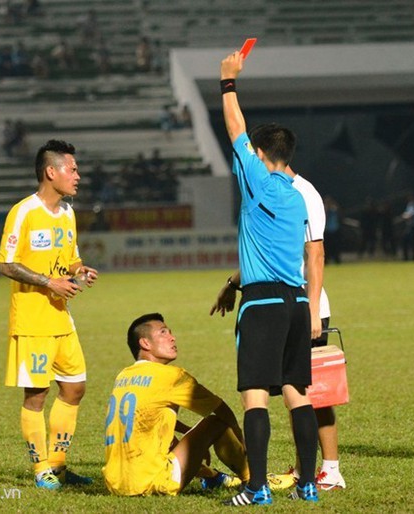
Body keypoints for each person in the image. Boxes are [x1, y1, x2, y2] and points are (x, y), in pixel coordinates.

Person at [217, 50, 318, 505]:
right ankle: (308, 484)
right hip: (297, 304)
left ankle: (257, 488)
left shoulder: (256, 181)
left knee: (254, 396)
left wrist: (228, 82)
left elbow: (236, 129)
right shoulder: (297, 199)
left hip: (262, 306)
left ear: (259, 156)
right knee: (298, 394)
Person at [211, 165, 346, 492]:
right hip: (288, 302)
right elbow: (266, 255)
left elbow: (316, 254)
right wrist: (232, 282)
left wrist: (313, 310)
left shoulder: (304, 193)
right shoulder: (271, 191)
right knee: (294, 390)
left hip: (303, 305)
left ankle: (329, 469)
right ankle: (306, 472)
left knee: (312, 393)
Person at [0, 139, 99, 490]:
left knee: (75, 388)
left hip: (61, 318)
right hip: (33, 320)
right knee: (36, 395)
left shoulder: (67, 213)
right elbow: (6, 264)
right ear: (50, 172)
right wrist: (48, 283)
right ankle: (42, 469)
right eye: (72, 169)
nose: (78, 176)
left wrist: (80, 271)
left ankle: (59, 464)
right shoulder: (23, 212)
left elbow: (70, 258)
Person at [102, 313, 249, 496]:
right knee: (215, 422)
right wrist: (241, 437)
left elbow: (147, 415)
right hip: (152, 482)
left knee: (163, 438)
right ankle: (253, 479)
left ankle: (211, 476)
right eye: (163, 332)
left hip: (116, 483)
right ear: (145, 343)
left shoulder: (123, 376)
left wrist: (192, 437)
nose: (172, 338)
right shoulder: (171, 376)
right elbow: (219, 409)